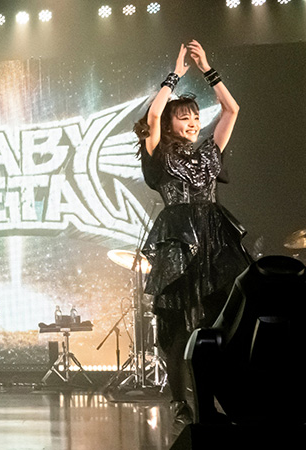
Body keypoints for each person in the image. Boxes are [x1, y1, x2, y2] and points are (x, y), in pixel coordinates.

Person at [134, 41, 251, 424]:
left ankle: (220, 398)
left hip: (214, 242)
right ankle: (179, 401)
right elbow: (152, 114)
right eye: (184, 117)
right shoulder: (160, 153)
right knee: (177, 327)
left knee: (219, 323)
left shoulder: (209, 152)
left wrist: (208, 69)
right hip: (178, 241)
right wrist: (176, 75)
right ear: (171, 123)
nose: (193, 122)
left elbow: (232, 109)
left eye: (195, 117)